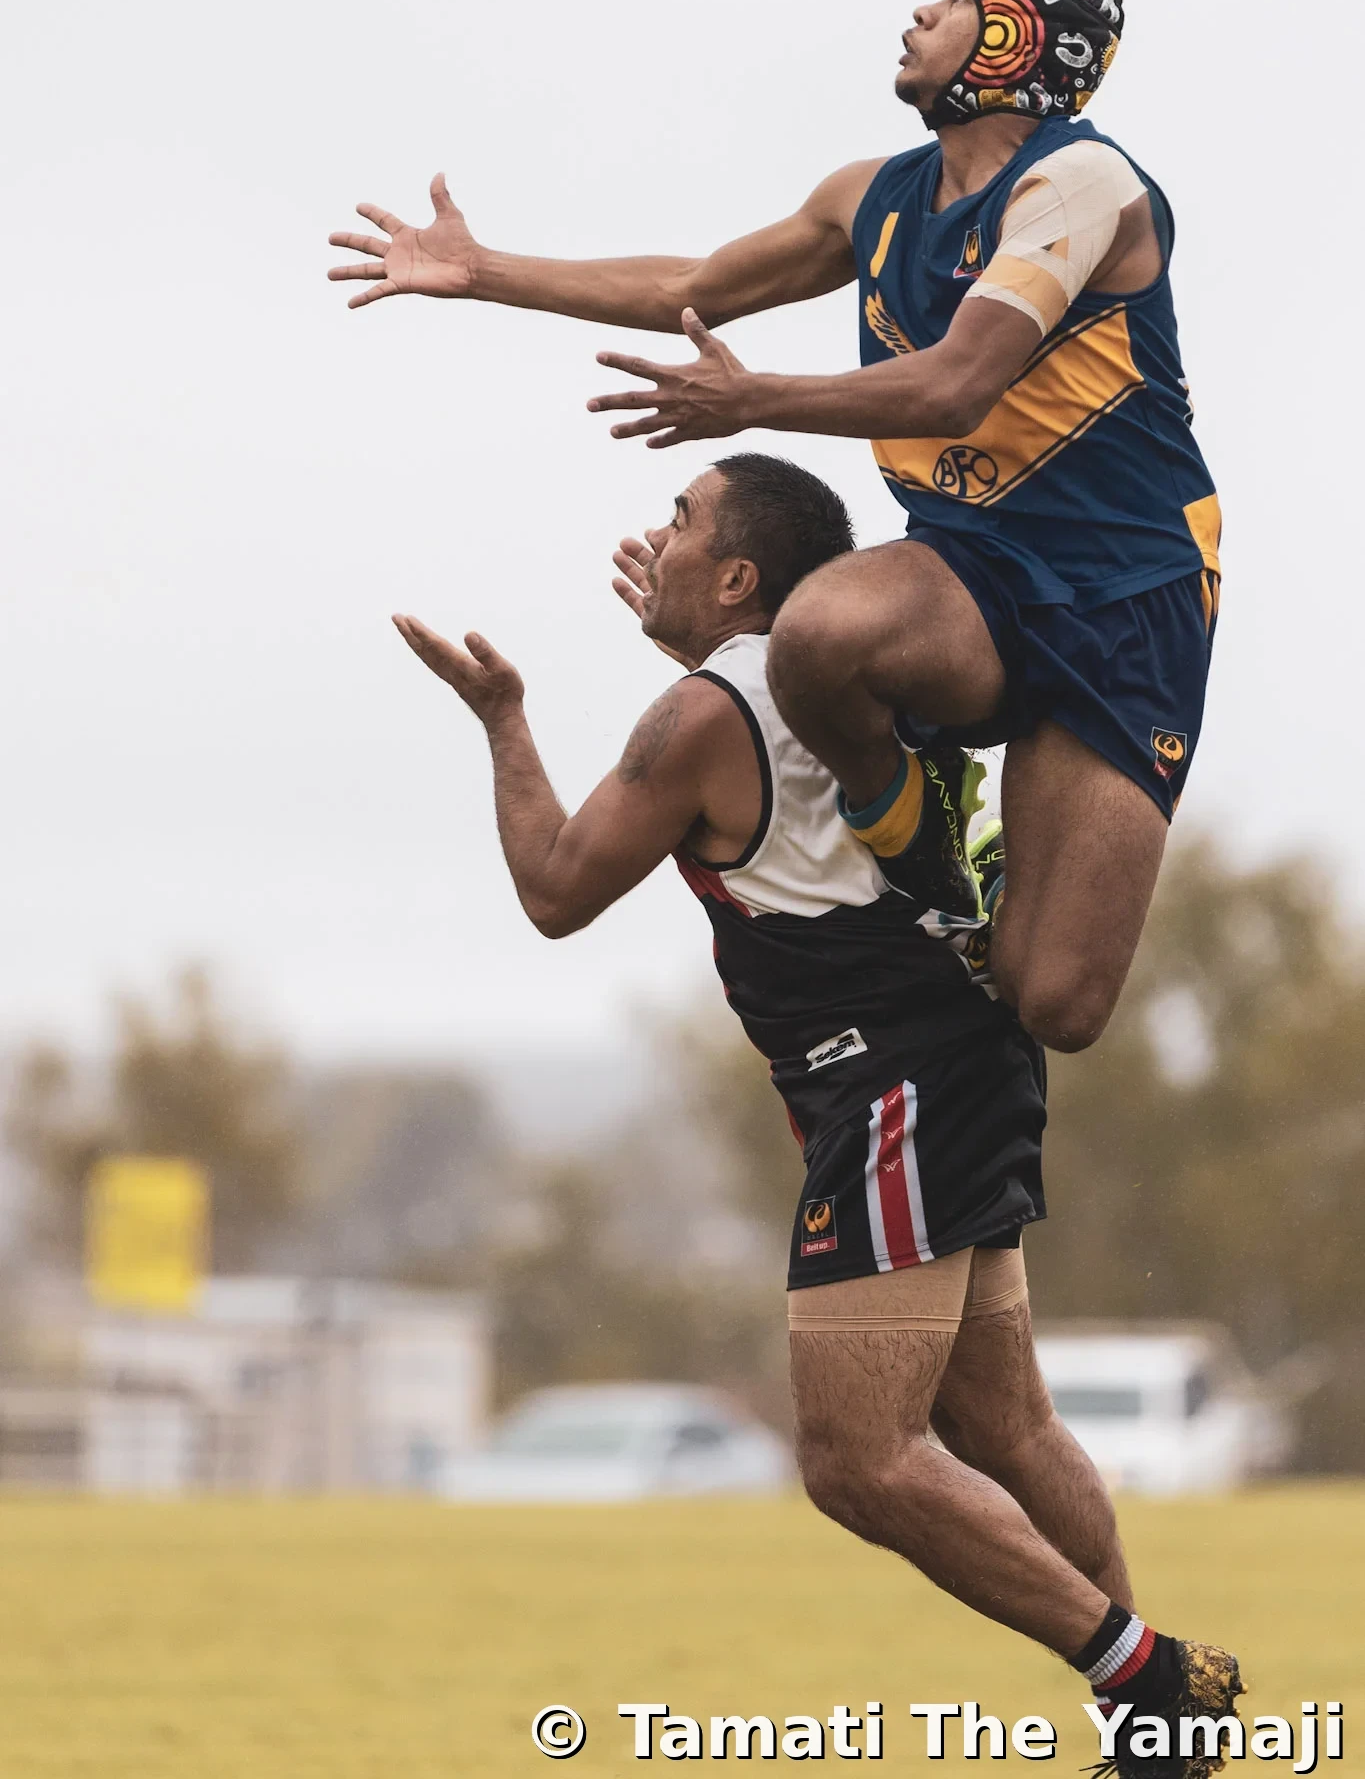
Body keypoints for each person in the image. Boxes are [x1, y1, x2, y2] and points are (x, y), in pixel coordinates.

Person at [393, 451, 1240, 1779]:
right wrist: (698, 638)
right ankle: (1153, 1731)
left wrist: (503, 716)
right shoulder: (843, 666)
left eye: (681, 521)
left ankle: (1154, 1685)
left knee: (856, 1461)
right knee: (998, 1427)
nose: (652, 537)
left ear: (738, 575)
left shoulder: (699, 716)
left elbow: (558, 888)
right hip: (967, 1057)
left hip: (892, 1083)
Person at [329, 0, 1221, 1056]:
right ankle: (920, 812)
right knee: (818, 633)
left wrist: (753, 401)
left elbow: (955, 385)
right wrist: (485, 270)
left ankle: (984, 875)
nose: (915, 17)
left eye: (949, 1)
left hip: (1128, 590)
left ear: (1011, 37)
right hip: (977, 563)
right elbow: (693, 287)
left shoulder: (1084, 180)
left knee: (1054, 1002)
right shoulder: (874, 197)